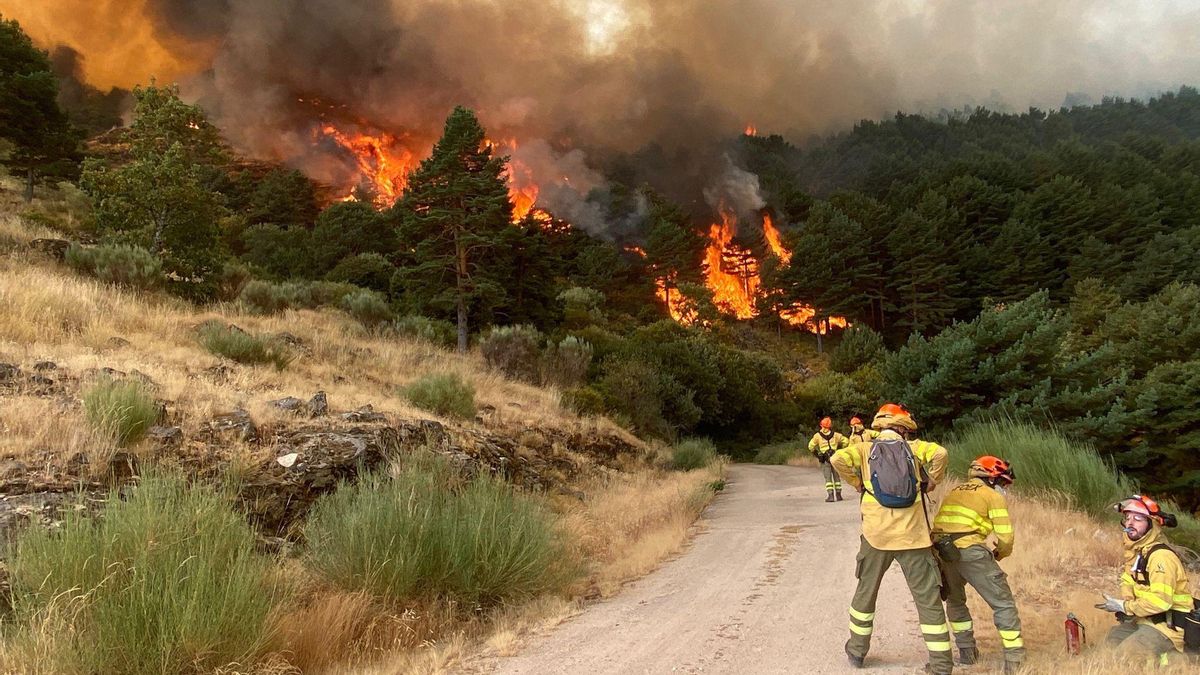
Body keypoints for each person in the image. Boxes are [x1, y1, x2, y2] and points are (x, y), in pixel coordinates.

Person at [832, 403, 953, 674]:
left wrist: (856, 483)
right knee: (927, 600)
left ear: (879, 425)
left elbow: (836, 460)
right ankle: (942, 664)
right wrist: (931, 481)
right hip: (915, 538)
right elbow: (941, 453)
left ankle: (857, 652)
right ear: (904, 429)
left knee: (866, 594)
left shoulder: (864, 449)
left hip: (877, 537)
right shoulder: (915, 448)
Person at [932, 456, 1024, 673]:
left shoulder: (954, 491)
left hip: (943, 551)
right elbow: (1006, 537)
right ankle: (1014, 660)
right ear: (991, 478)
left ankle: (967, 653)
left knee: (955, 601)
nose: (1003, 488)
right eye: (1002, 483)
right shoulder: (991, 496)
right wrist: (1000, 553)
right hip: (971, 551)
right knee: (1003, 604)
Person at [1097, 494, 1193, 665]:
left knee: (1126, 657)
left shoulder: (1161, 557)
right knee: (1107, 646)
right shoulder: (1138, 553)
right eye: (1127, 518)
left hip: (1167, 627)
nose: (1130, 523)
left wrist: (1126, 606)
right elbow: (1129, 580)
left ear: (1152, 525)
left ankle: (1175, 661)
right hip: (1144, 619)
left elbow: (1161, 602)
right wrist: (1127, 606)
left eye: (1138, 519)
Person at [808, 417, 848, 502]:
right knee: (837, 477)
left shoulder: (817, 436)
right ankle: (839, 495)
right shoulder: (836, 435)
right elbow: (846, 441)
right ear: (830, 426)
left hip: (825, 459)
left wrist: (818, 455)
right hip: (835, 457)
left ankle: (830, 496)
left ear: (821, 425)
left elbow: (810, 446)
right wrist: (840, 450)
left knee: (828, 478)